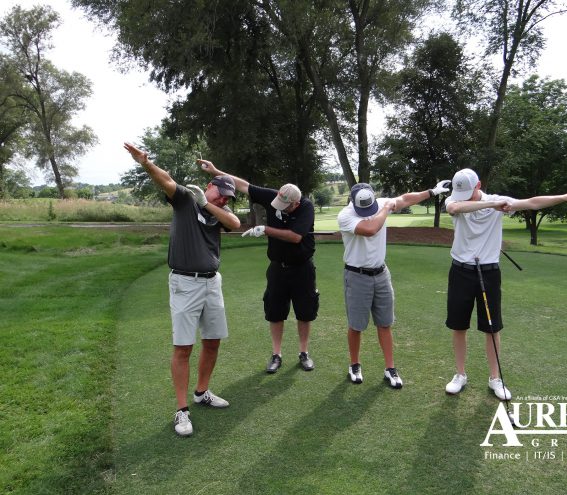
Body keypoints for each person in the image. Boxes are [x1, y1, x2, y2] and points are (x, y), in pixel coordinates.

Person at [443, 168, 567, 400]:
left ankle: (495, 378)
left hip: (489, 272)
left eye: (468, 193)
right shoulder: (458, 200)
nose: (462, 197)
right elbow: (454, 208)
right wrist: (492, 206)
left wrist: (565, 197)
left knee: (492, 328)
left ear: (478, 185)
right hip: (460, 271)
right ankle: (460, 374)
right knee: (458, 326)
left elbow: (532, 203)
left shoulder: (498, 201)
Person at [123, 143, 241, 437]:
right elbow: (165, 180)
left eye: (228, 198)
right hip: (185, 282)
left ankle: (202, 393)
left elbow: (235, 223)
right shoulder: (186, 199)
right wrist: (146, 163)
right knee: (183, 347)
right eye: (221, 193)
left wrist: (208, 203)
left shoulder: (212, 208)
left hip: (212, 282)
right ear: (209, 185)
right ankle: (181, 410)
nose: (225, 200)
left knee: (213, 341)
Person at [197, 159, 318, 374]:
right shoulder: (274, 197)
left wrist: (265, 229)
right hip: (277, 268)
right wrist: (216, 171)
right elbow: (243, 185)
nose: (279, 207)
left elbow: (295, 237)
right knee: (275, 312)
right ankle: (276, 354)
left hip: (302, 268)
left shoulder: (306, 207)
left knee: (305, 312)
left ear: (295, 204)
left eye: (285, 206)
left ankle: (303, 353)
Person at [338, 181, 449, 388]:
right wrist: (387, 208)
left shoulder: (380, 203)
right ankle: (354, 364)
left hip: (381, 274)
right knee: (356, 325)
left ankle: (390, 368)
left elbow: (406, 199)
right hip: (356, 275)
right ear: (352, 202)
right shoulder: (345, 216)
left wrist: (431, 191)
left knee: (385, 323)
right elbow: (371, 229)